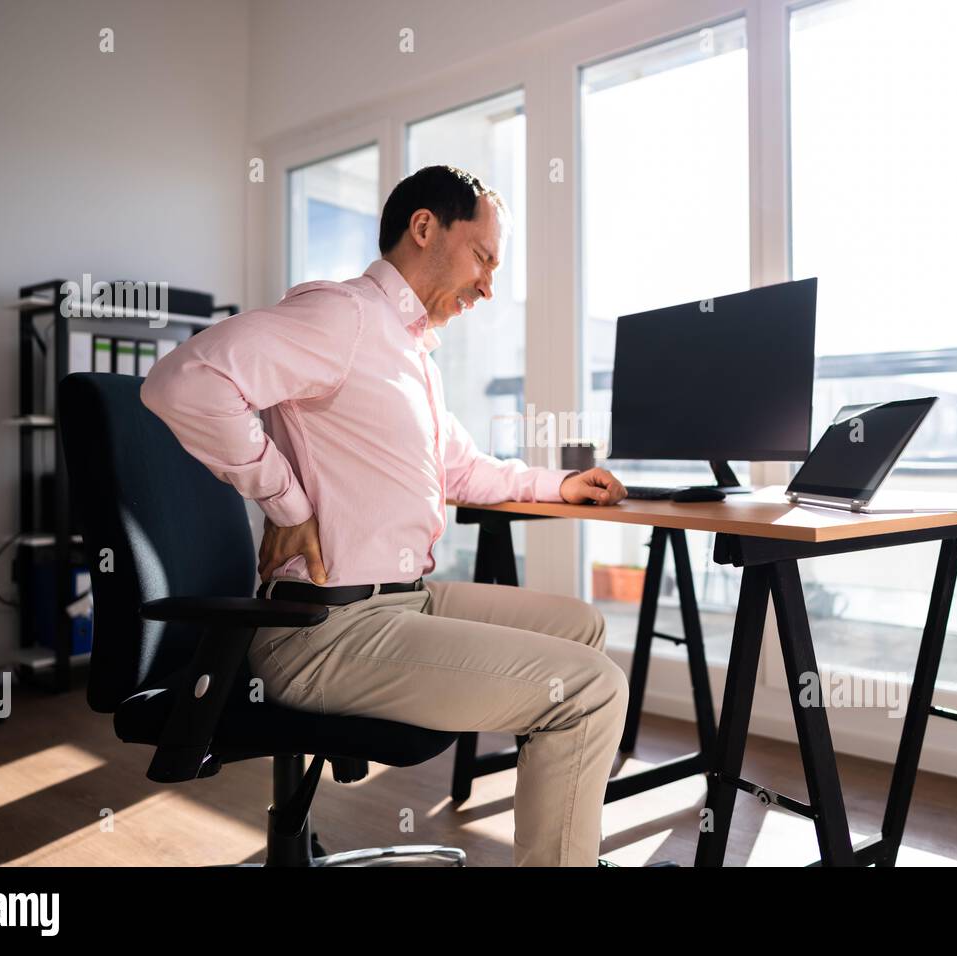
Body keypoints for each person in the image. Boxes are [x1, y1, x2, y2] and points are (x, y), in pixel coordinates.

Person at [141, 165, 633, 866]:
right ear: (425, 227)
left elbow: (463, 469)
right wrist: (284, 495)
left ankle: (559, 840)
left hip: (400, 602)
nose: (489, 286)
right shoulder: (342, 316)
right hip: (323, 627)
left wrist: (563, 484)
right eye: (483, 257)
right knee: (592, 688)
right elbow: (182, 382)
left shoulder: (410, 353)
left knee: (581, 628)